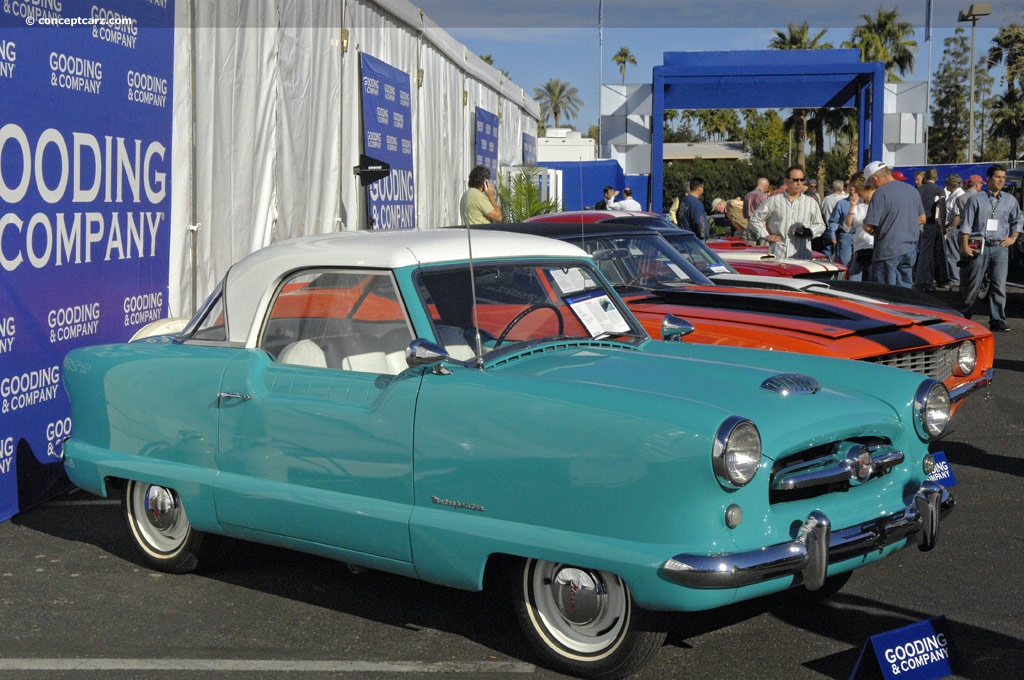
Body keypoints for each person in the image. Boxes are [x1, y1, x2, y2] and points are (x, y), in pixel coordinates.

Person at [957, 164, 1023, 332]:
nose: (1001, 180)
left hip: (1000, 247)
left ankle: (998, 320)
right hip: (980, 245)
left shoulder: (1010, 200)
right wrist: (964, 246)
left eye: (1003, 177)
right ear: (988, 178)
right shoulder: (976, 199)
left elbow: (1018, 220)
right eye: (997, 177)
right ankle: (964, 316)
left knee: (999, 285)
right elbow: (966, 225)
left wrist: (1013, 237)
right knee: (973, 284)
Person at [862, 161, 925, 287]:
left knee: (885, 294)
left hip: (887, 251)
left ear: (875, 178)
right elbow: (922, 218)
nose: (871, 186)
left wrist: (881, 228)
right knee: (904, 294)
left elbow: (868, 226)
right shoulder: (912, 190)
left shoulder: (880, 193)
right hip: (909, 249)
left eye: (870, 182)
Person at [746, 165, 826, 259]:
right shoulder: (774, 201)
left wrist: (808, 231)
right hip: (778, 254)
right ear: (787, 181)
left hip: (802, 255)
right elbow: (755, 219)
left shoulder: (811, 202)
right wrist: (766, 236)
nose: (799, 183)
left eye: (802, 179)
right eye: (795, 180)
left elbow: (820, 225)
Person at [914, 168, 945, 292]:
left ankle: (925, 279)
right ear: (937, 178)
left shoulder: (918, 190)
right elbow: (943, 207)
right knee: (927, 254)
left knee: (922, 252)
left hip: (917, 223)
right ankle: (923, 281)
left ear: (925, 177)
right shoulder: (938, 190)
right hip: (930, 223)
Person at [842, 172, 875, 280]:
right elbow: (847, 227)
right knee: (853, 280)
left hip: (873, 249)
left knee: (870, 281)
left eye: (857, 189)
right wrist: (852, 206)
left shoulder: (878, 202)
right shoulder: (858, 205)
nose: (855, 192)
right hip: (859, 249)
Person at [939, 174, 964, 290]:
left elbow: (957, 216)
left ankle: (956, 279)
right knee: (950, 253)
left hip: (953, 229)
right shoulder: (953, 195)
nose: (945, 186)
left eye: (947, 183)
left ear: (952, 184)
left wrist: (949, 228)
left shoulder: (959, 196)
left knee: (953, 254)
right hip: (950, 228)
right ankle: (954, 278)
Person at [820, 180, 849, 262]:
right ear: (842, 188)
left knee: (826, 252)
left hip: (826, 228)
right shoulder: (842, 200)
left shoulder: (825, 199)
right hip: (837, 230)